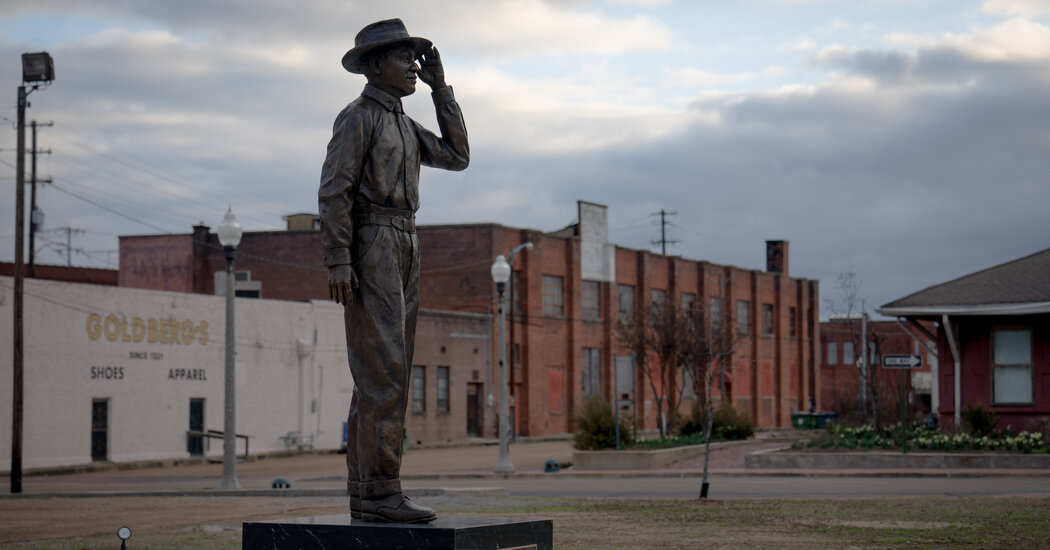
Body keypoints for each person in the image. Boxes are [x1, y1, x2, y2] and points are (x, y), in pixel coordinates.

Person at [318, 18, 469, 523]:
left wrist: (441, 89)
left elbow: (457, 156)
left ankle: (371, 492)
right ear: (375, 65)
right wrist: (338, 258)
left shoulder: (404, 122)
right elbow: (334, 190)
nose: (412, 66)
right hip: (372, 242)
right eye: (404, 58)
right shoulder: (358, 116)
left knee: (389, 374)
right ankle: (380, 494)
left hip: (406, 240)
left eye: (415, 58)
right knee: (382, 376)